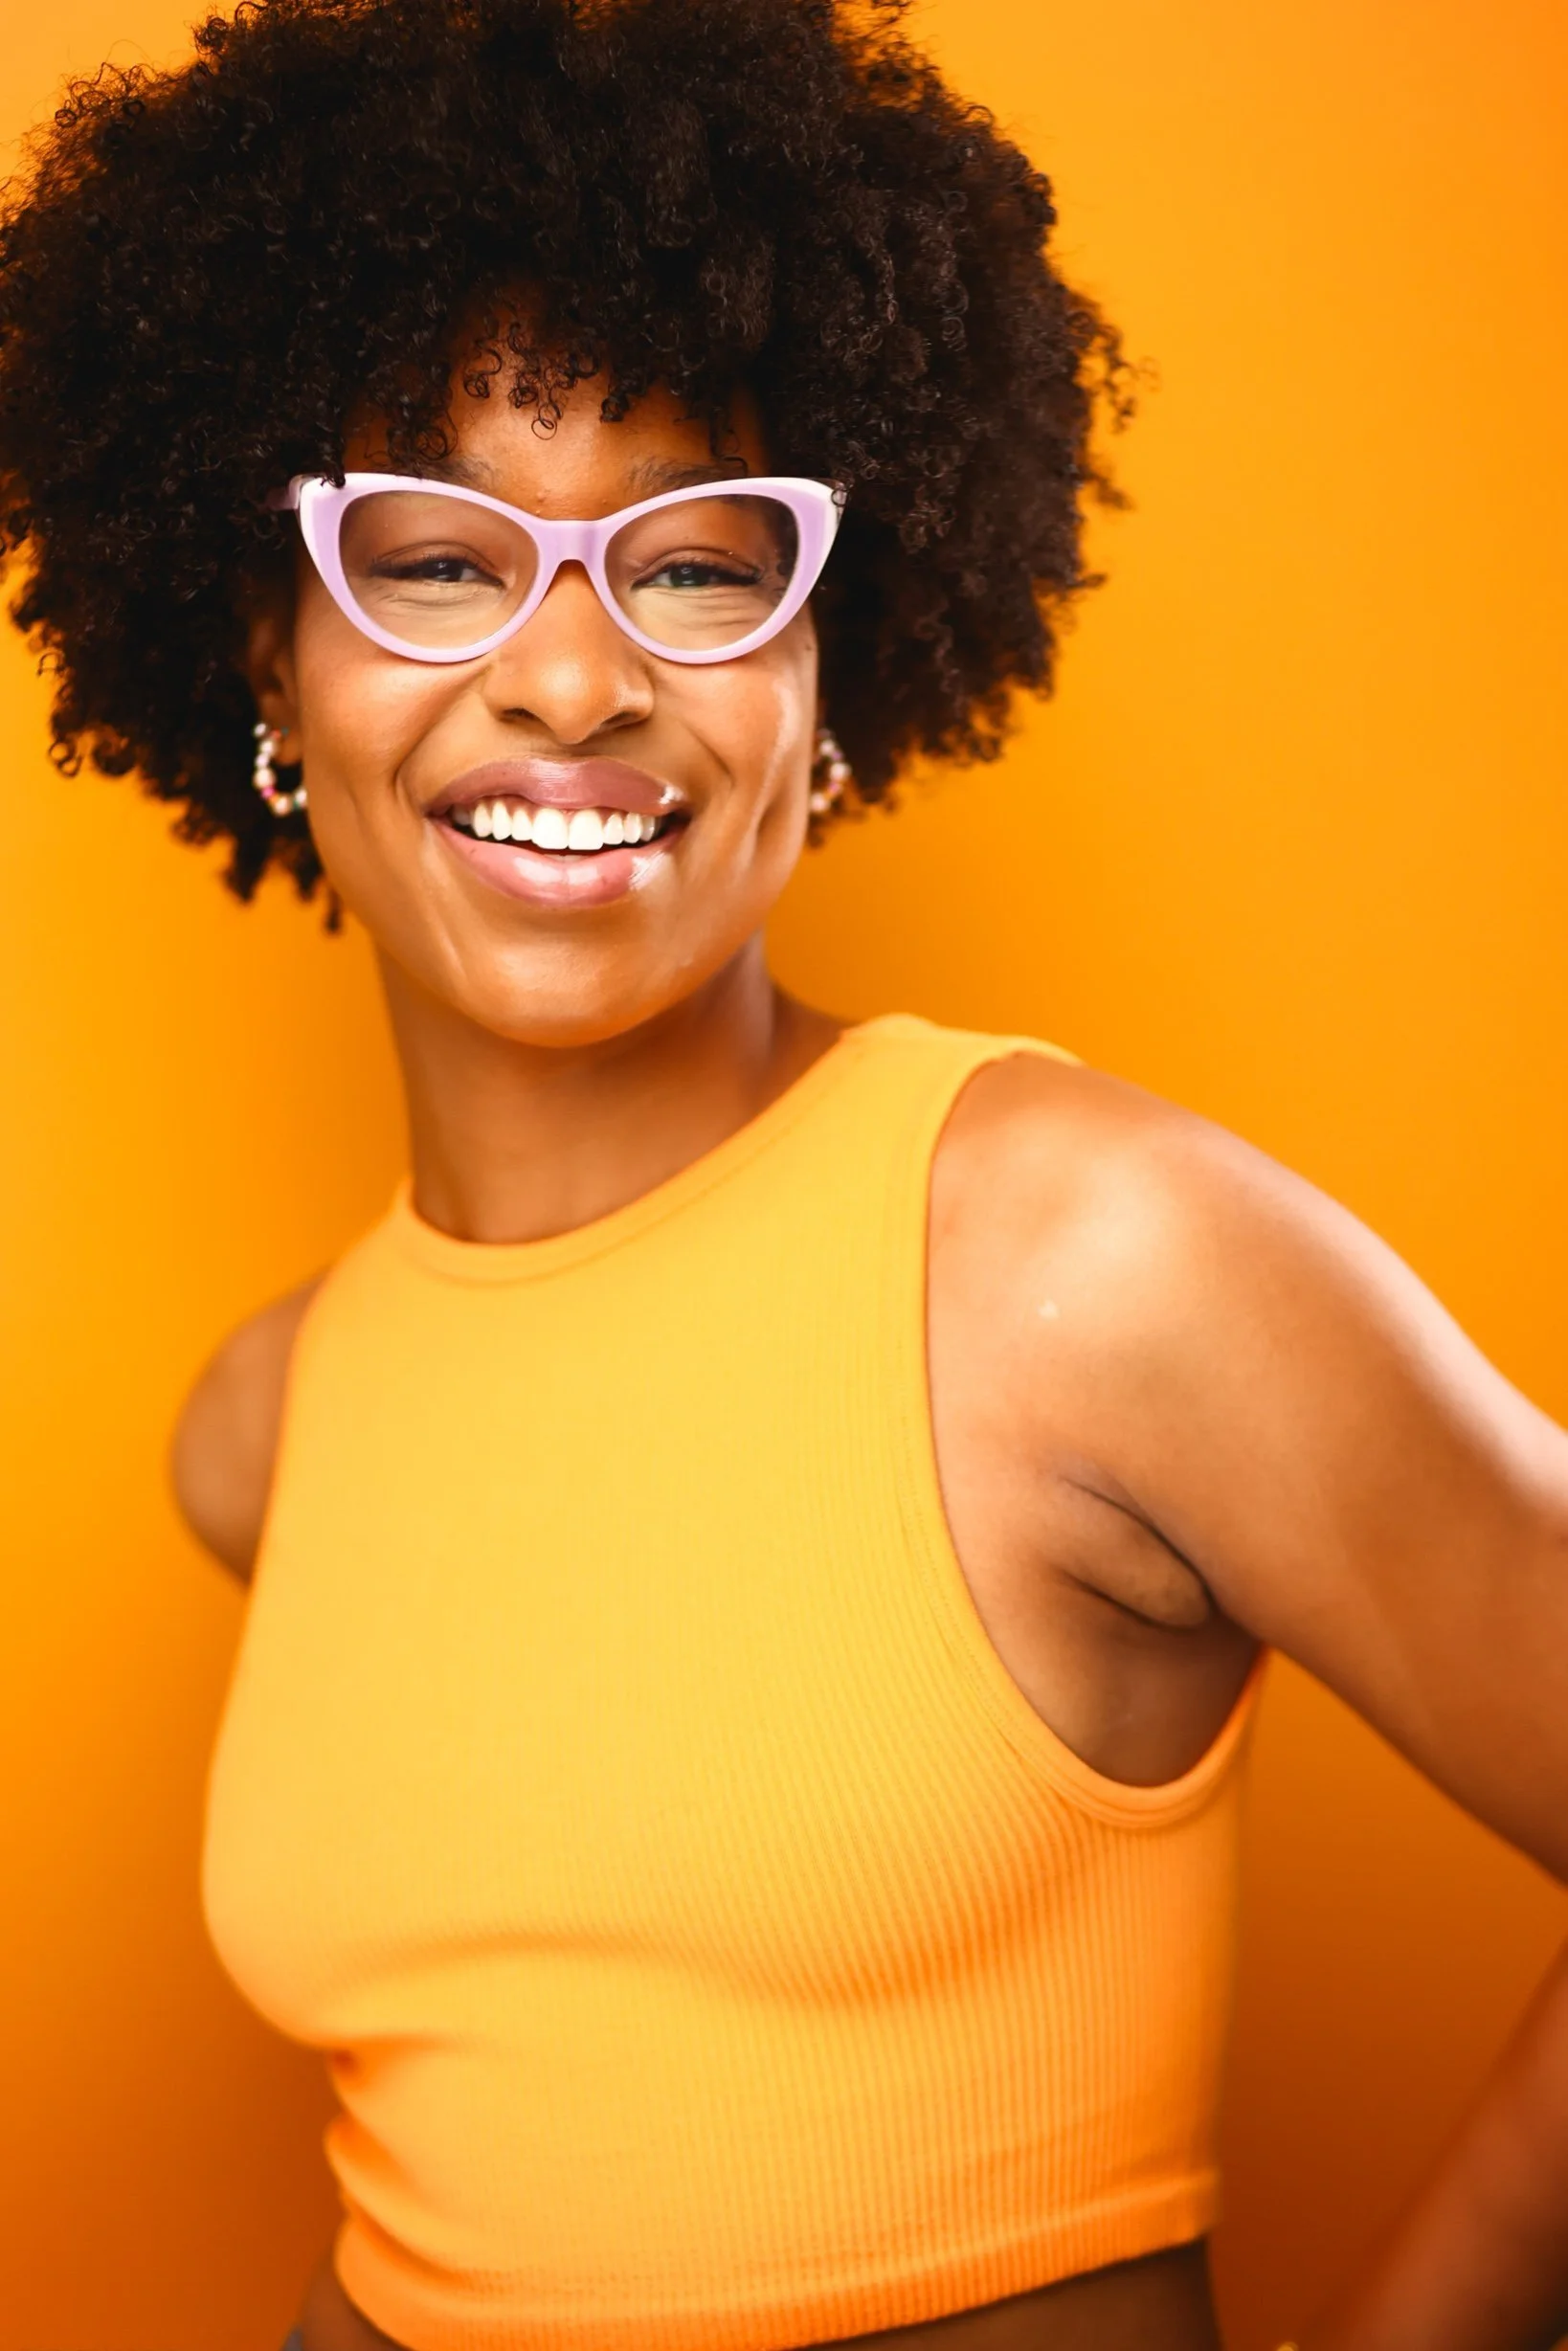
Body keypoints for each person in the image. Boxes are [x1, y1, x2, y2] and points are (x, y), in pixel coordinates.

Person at [2, 2, 1565, 2347]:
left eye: (697, 561)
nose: (568, 678)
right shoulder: (276, 1423)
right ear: (269, 657)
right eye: (438, 562)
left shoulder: (1070, 1252)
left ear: (825, 671)